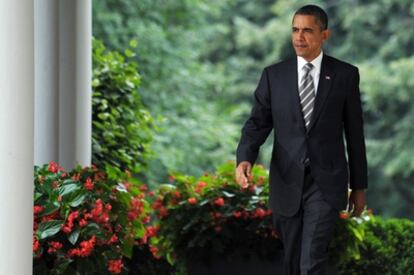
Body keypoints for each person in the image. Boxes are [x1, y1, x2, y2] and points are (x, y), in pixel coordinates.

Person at [235, 4, 368, 275]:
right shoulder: (273, 76)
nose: (299, 37)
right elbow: (258, 123)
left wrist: (359, 186)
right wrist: (245, 158)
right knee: (292, 262)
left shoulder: (345, 75)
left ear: (324, 35)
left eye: (307, 30)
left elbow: (355, 134)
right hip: (286, 180)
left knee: (312, 260)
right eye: (295, 30)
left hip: (326, 182)